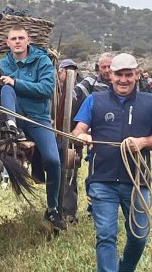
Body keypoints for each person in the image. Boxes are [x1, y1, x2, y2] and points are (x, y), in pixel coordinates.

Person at [71, 53, 152, 271]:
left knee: (139, 236)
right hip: (102, 180)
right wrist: (83, 136)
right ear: (110, 76)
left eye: (128, 75)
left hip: (136, 182)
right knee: (105, 236)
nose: (123, 80)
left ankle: (125, 268)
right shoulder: (94, 101)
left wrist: (143, 142)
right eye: (118, 75)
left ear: (136, 75)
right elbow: (78, 130)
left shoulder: (149, 101)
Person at [0, 26, 66, 230]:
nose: (17, 41)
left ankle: (53, 208)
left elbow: (46, 89)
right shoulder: (3, 63)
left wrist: (16, 82)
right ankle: (11, 125)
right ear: (8, 43)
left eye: (21, 38)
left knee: (54, 161)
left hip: (38, 119)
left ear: (28, 41)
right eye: (13, 39)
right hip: (13, 119)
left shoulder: (42, 61)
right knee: (5, 89)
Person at [74, 52, 114, 218]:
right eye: (103, 67)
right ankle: (93, 209)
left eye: (109, 66)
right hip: (96, 138)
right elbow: (75, 95)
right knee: (94, 175)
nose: (106, 70)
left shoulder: (122, 84)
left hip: (119, 138)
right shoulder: (91, 82)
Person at [57, 59, 82, 224]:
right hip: (55, 135)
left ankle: (69, 212)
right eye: (66, 70)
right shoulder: (53, 89)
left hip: (73, 138)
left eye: (72, 71)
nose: (69, 74)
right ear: (60, 73)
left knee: (70, 174)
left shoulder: (78, 92)